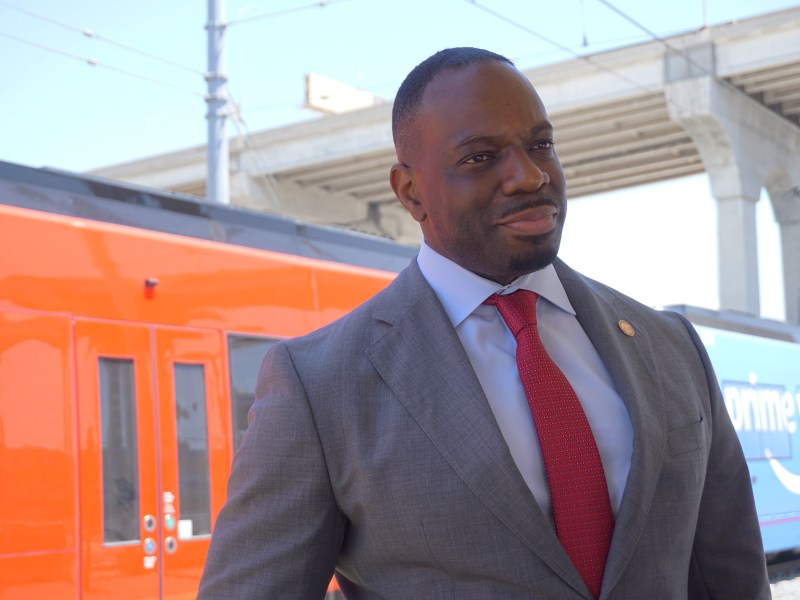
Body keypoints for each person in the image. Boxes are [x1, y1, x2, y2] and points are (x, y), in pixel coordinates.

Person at [197, 47, 770, 599]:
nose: (529, 176)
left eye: (540, 144)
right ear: (411, 192)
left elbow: (732, 580)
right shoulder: (319, 387)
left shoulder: (672, 349)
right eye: (480, 157)